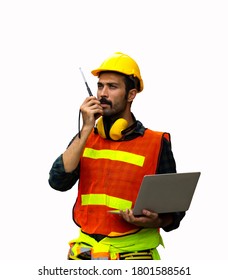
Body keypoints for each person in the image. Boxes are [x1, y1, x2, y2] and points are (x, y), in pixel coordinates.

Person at [48, 52, 185, 260]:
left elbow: (174, 212)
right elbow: (58, 182)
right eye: (100, 86)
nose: (103, 93)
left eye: (112, 87)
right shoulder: (85, 138)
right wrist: (86, 128)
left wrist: (156, 221)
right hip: (85, 252)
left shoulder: (156, 143)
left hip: (134, 255)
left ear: (131, 95)